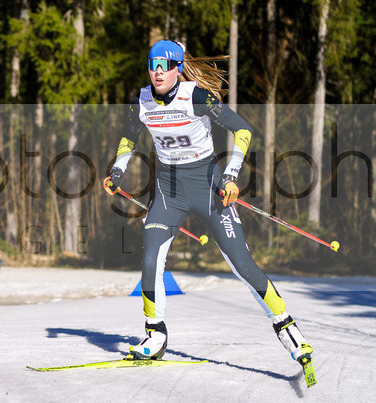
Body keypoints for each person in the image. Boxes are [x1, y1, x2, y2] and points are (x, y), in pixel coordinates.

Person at [103, 39, 313, 378]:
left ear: (177, 68)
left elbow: (243, 129)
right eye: (152, 64)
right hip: (168, 188)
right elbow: (129, 138)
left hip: (208, 185)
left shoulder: (196, 96)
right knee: (150, 257)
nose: (157, 71)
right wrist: (116, 170)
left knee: (241, 263)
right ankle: (155, 334)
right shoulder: (140, 101)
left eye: (165, 65)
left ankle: (288, 329)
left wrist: (231, 175)